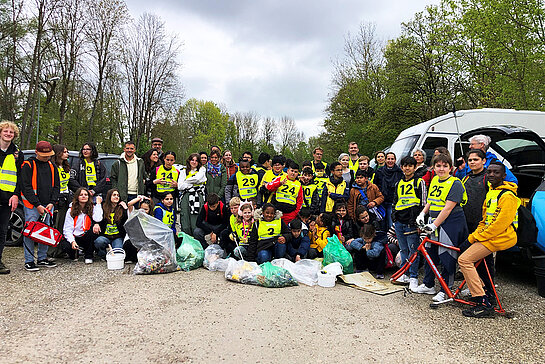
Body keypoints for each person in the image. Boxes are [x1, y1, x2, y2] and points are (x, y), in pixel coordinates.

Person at [458, 162, 519, 317]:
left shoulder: (508, 196)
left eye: (496, 173)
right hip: (491, 235)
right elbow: (484, 221)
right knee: (479, 262)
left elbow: (499, 225)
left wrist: (475, 238)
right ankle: (487, 292)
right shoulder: (492, 192)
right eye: (490, 172)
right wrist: (474, 237)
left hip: (500, 237)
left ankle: (482, 302)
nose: (492, 175)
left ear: (504, 176)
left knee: (464, 260)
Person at [414, 153, 469, 302]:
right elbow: (430, 201)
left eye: (445, 166)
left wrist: (434, 224)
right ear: (434, 167)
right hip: (434, 221)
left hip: (451, 223)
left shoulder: (455, 183)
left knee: (447, 255)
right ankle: (428, 283)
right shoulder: (435, 180)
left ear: (450, 168)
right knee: (430, 252)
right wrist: (423, 213)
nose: (441, 169)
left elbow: (448, 208)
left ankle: (446, 289)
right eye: (438, 166)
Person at [460, 149, 495, 300]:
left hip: (483, 227)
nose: (473, 162)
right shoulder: (466, 178)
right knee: (470, 259)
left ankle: (489, 291)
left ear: (483, 161)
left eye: (476, 159)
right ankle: (475, 287)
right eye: (470, 160)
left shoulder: (489, 178)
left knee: (485, 262)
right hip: (467, 224)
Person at [21, 141, 60, 271]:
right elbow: (26, 187)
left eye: (48, 155)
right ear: (36, 152)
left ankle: (42, 258)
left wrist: (52, 203)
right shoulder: (28, 165)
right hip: (32, 205)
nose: (46, 157)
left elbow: (56, 186)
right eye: (44, 155)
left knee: (45, 232)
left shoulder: (52, 166)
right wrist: (37, 205)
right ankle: (29, 260)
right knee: (30, 231)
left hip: (48, 205)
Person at [392, 156, 427, 291]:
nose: (407, 168)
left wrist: (419, 222)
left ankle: (413, 277)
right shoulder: (398, 183)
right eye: (405, 166)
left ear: (414, 167)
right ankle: (404, 273)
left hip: (412, 221)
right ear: (401, 167)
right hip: (400, 221)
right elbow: (396, 201)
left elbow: (423, 203)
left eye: (410, 166)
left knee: (413, 250)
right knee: (403, 250)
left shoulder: (420, 182)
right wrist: (394, 216)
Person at [0, 121, 23, 274]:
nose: (8, 134)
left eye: (11, 132)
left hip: (6, 199)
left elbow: (20, 177)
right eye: (5, 131)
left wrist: (15, 195)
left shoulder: (17, 154)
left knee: (1, 231)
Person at [62, 188, 103, 264]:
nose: (83, 196)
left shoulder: (92, 208)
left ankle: (88, 255)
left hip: (86, 234)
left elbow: (98, 218)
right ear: (77, 197)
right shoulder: (71, 210)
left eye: (86, 195)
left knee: (92, 232)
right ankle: (75, 252)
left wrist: (98, 204)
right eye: (81, 195)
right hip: (75, 236)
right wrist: (72, 241)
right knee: (66, 245)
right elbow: (67, 229)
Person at [48, 144, 71, 258]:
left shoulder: (66, 167)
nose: (67, 154)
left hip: (65, 198)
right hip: (55, 200)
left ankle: (60, 250)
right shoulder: (52, 167)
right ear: (58, 153)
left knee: (62, 225)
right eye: (65, 152)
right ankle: (51, 251)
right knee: (55, 226)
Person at [264, 159, 303, 224]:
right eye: (292, 171)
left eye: (295, 172)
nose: (293, 173)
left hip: (289, 214)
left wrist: (294, 213)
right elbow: (269, 187)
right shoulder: (280, 178)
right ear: (288, 171)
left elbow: (300, 201)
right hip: (277, 212)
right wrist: (279, 183)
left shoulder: (298, 184)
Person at [94, 189, 128, 259]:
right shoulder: (103, 206)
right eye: (114, 195)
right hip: (105, 236)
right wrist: (96, 223)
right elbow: (97, 217)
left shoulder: (121, 208)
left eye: (118, 195)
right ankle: (103, 256)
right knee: (99, 242)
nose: (116, 197)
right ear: (109, 196)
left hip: (117, 237)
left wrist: (125, 209)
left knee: (118, 253)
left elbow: (127, 222)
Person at [178, 153, 207, 236]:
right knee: (185, 221)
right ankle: (186, 241)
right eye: (192, 160)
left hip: (197, 196)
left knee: (196, 220)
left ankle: (197, 241)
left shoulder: (202, 169)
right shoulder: (183, 171)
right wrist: (192, 184)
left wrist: (186, 181)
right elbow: (180, 186)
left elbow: (198, 178)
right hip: (186, 196)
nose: (194, 162)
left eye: (196, 160)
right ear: (189, 161)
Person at [374, 152, 403, 229]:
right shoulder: (379, 172)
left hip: (393, 201)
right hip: (381, 201)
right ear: (385, 160)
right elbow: (375, 186)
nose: (390, 161)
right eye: (388, 159)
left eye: (392, 159)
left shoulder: (399, 172)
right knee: (382, 223)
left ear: (395, 160)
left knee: (391, 223)